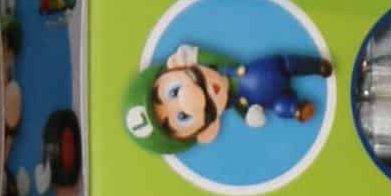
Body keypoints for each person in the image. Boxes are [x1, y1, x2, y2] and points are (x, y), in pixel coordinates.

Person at [124, 43, 331, 151]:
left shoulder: (226, 68)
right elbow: (241, 108)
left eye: (174, 92)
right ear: (207, 130)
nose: (191, 98)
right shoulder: (234, 102)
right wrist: (249, 116)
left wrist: (196, 55)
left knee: (283, 64)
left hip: (257, 72)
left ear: (176, 66)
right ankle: (297, 109)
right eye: (183, 117)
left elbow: (217, 58)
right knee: (280, 106)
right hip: (264, 99)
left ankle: (316, 66)